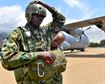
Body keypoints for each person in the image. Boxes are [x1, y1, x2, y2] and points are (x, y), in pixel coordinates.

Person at [1, 0, 66, 84]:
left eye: (43, 16)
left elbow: (61, 20)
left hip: (50, 80)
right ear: (29, 15)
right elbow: (6, 58)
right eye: (38, 15)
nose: (41, 18)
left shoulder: (46, 31)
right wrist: (37, 55)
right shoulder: (18, 34)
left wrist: (45, 5)